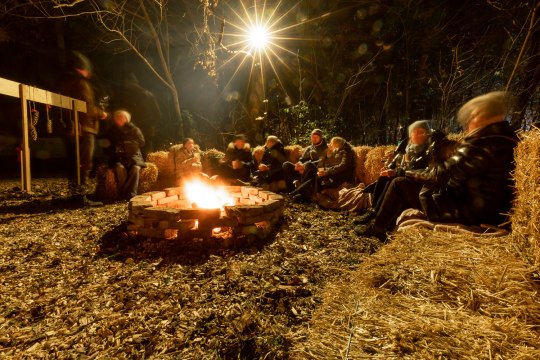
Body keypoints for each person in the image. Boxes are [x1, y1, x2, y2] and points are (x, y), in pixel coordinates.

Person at [356, 91, 518, 241]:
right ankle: (377, 218)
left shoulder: (483, 144)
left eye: (474, 115)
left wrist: (404, 171)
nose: (469, 120)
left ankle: (378, 227)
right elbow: (450, 173)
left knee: (400, 184)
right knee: (394, 180)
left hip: (470, 210)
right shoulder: (499, 139)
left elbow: (440, 174)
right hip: (476, 204)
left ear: (487, 115)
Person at [354, 120, 431, 224]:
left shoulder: (429, 150)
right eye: (414, 132)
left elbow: (423, 172)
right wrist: (388, 169)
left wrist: (397, 171)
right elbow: (395, 165)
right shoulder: (405, 148)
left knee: (395, 180)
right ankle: (374, 211)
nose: (417, 135)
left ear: (427, 133)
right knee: (383, 177)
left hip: (418, 184)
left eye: (421, 131)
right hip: (405, 176)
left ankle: (380, 222)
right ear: (410, 134)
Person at [61, 51, 108, 186]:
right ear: (81, 69)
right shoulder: (81, 83)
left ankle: (74, 189)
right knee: (84, 160)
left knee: (73, 160)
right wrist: (101, 113)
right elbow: (86, 106)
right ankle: (80, 193)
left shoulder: (65, 82)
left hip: (71, 127)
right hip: (84, 127)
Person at [291, 136, 355, 202]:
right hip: (333, 174)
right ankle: (301, 193)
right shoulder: (336, 152)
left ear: (337, 144)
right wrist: (327, 156)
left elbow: (343, 166)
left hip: (340, 177)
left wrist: (326, 172)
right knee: (313, 172)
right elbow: (325, 163)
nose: (329, 145)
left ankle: (306, 196)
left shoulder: (346, 151)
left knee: (317, 177)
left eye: (331, 143)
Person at [104, 110, 146, 199]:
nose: (119, 119)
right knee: (120, 168)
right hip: (118, 157)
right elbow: (107, 146)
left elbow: (141, 142)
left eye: (121, 117)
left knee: (135, 168)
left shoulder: (134, 130)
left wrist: (125, 145)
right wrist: (114, 150)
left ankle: (131, 194)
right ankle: (125, 194)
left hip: (134, 157)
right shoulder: (111, 131)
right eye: (117, 117)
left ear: (126, 119)